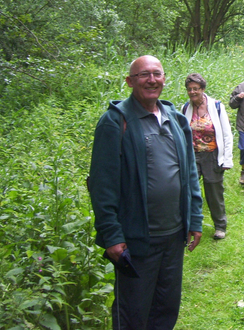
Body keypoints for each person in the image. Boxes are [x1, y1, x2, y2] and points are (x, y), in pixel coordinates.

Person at [88, 55, 203, 330]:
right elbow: (102, 186)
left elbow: (189, 174)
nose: (151, 80)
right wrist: (112, 235)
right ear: (129, 81)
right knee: (133, 313)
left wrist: (195, 219)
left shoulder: (176, 119)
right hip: (137, 240)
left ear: (164, 79)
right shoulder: (115, 123)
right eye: (143, 75)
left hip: (174, 238)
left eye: (157, 74)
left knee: (165, 309)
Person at [182, 73, 233, 240]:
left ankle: (220, 226)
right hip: (192, 156)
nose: (192, 92)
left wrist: (227, 159)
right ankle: (189, 226)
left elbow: (226, 134)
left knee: (214, 193)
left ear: (203, 89)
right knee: (188, 191)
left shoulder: (216, 106)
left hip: (212, 156)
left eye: (196, 89)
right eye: (189, 89)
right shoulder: (185, 108)